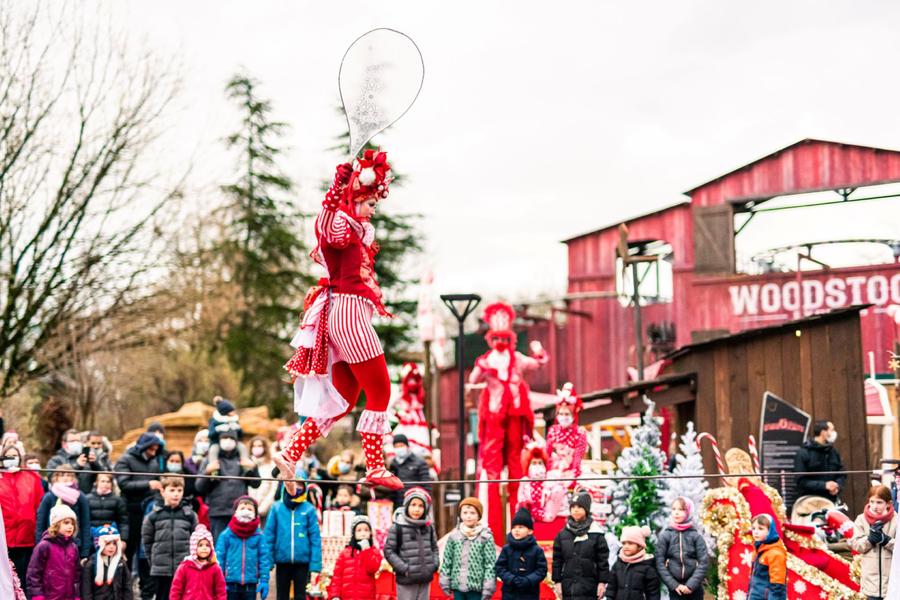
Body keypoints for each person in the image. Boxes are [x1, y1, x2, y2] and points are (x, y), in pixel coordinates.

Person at [276, 153, 405, 491]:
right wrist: (338, 187)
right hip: (349, 313)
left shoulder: (354, 229)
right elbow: (325, 226)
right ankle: (375, 466)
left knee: (344, 399)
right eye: (370, 203)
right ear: (355, 198)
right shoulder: (342, 224)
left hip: (343, 313)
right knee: (380, 390)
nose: (373, 209)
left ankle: (290, 452)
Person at [469, 302, 548, 544]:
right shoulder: (486, 360)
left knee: (516, 464)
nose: (501, 342)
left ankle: (519, 520)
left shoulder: (517, 359)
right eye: (497, 338)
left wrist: (539, 352)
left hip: (515, 415)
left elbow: (538, 363)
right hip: (495, 416)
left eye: (505, 338)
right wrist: (482, 370)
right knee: (492, 467)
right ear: (491, 339)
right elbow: (473, 380)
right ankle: (491, 524)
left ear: (510, 339)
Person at [195, 430, 261, 540]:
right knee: (220, 544)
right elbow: (199, 488)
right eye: (225, 438)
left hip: (240, 512)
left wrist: (253, 468)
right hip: (218, 512)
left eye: (231, 438)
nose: (228, 441)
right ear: (219, 441)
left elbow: (256, 484)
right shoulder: (210, 459)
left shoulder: (243, 458)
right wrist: (207, 472)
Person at [142, 476, 199, 600]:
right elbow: (147, 543)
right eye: (172, 490)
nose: (176, 494)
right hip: (161, 571)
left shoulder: (190, 515)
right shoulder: (152, 517)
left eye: (179, 490)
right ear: (163, 492)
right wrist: (155, 563)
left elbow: (196, 541)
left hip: (184, 568)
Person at [264, 480, 322, 600]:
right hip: (282, 561)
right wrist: (267, 561)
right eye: (293, 483)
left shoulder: (309, 509)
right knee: (281, 595)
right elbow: (269, 536)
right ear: (286, 485)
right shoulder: (277, 508)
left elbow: (315, 539)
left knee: (300, 596)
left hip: (302, 562)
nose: (296, 487)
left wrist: (315, 566)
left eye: (300, 484)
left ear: (305, 487)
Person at [114, 431, 164, 567]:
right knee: (129, 549)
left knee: (145, 550)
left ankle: (144, 579)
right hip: (130, 511)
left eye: (156, 449)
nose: (153, 453)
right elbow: (124, 484)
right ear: (143, 447)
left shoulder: (154, 463)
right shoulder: (125, 460)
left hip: (148, 511)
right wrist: (148, 484)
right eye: (151, 449)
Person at [384, 487, 439, 600]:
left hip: (425, 579)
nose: (416, 509)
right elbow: (389, 551)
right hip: (406, 580)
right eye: (413, 505)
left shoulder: (429, 527)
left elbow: (434, 548)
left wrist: (434, 565)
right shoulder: (397, 527)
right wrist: (405, 569)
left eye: (421, 506)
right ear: (406, 506)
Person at [0, 442, 45, 581]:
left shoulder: (31, 477)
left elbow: (39, 506)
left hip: (26, 537)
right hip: (5, 538)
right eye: (8, 456)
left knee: (23, 576)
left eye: (14, 455)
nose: (11, 458)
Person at [552, 492, 609, 600]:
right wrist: (557, 582)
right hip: (568, 588)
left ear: (586, 509)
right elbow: (557, 560)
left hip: (589, 588)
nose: (575, 510)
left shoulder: (596, 534)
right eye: (573, 507)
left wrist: (602, 582)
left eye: (579, 507)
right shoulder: (562, 534)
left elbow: (602, 561)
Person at [439, 497, 497, 600]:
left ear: (479, 516)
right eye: (465, 513)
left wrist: (488, 587)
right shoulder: (454, 536)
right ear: (460, 515)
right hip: (457, 587)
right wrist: (445, 581)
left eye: (472, 513)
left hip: (477, 589)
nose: (468, 516)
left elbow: (490, 564)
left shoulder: (485, 537)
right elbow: (447, 560)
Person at [214, 496, 271, 600]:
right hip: (229, 584)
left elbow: (264, 559)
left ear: (255, 514)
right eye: (242, 508)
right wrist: (219, 580)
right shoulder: (226, 535)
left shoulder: (259, 536)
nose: (246, 511)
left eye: (250, 509)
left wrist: (264, 580)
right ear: (235, 512)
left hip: (250, 585)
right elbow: (219, 558)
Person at [655, 496, 708, 599]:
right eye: (674, 509)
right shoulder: (666, 536)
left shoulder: (696, 537)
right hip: (675, 588)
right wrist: (674, 585)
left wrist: (691, 585)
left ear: (688, 512)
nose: (676, 512)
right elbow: (659, 562)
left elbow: (703, 562)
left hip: (694, 588)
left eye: (681, 509)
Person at [850, 484, 897, 600]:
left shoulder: (897, 520)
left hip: (892, 582)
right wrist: (869, 539)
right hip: (870, 582)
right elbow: (856, 544)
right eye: (872, 502)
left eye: (879, 502)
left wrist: (886, 541)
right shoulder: (861, 519)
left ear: (888, 504)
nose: (875, 506)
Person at [36, 464, 93, 559]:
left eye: (68, 475)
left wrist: (85, 552)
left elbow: (85, 524)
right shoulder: (49, 497)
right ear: (56, 477)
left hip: (75, 544)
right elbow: (40, 524)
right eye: (62, 475)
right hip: (51, 543)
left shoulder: (80, 497)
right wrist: (40, 547)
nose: (65, 478)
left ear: (73, 477)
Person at [27, 504, 82, 600]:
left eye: (72, 524)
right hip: (49, 596)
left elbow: (77, 576)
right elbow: (33, 573)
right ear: (56, 525)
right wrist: (37, 595)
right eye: (66, 523)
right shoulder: (44, 546)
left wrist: (77, 595)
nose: (70, 526)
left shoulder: (73, 547)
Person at [495, 507, 547, 600]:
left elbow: (541, 570)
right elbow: (500, 567)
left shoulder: (537, 550)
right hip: (509, 593)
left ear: (530, 531)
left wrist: (528, 580)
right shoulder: (506, 548)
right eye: (514, 527)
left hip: (530, 594)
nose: (516, 530)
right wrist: (511, 579)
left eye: (520, 527)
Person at [327, 514, 383, 600]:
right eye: (359, 530)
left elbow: (372, 569)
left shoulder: (374, 551)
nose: (363, 533)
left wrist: (366, 550)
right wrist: (335, 595)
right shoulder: (345, 553)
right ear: (353, 533)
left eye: (366, 530)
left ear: (370, 533)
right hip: (347, 597)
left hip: (366, 596)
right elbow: (337, 576)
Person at [545, 383, 588, 485]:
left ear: (573, 415)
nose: (563, 417)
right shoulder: (553, 431)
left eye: (567, 414)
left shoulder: (580, 433)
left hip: (571, 474)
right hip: (553, 474)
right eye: (561, 414)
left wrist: (573, 477)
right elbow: (547, 455)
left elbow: (577, 459)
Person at [793, 420, 846, 503]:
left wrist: (837, 486)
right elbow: (801, 481)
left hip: (831, 500)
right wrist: (824, 485)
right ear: (823, 432)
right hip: (810, 501)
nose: (834, 433)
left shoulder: (833, 451)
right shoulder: (803, 453)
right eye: (832, 430)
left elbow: (841, 473)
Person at [170, 525, 227, 600]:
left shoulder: (215, 568)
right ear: (194, 547)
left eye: (207, 545)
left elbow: (221, 591)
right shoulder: (185, 567)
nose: (204, 548)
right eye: (200, 545)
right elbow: (176, 590)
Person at [606, 525, 660, 600]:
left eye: (630, 543)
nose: (626, 546)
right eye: (624, 543)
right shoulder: (618, 564)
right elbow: (611, 588)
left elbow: (653, 593)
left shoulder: (647, 567)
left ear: (639, 546)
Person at [516, 445, 566, 523]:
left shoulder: (552, 483)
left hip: (548, 522)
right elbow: (521, 503)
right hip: (529, 521)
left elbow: (550, 515)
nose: (537, 466)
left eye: (540, 463)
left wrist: (533, 512)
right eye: (534, 463)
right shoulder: (524, 483)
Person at [81, 524, 133, 600]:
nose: (112, 547)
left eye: (114, 544)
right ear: (99, 545)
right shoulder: (91, 565)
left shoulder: (121, 564)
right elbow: (86, 591)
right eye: (107, 543)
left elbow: (127, 586)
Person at [747, 514, 786, 600]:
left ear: (770, 531)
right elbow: (753, 580)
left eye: (760, 529)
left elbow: (777, 586)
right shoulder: (758, 549)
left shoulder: (775, 554)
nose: (756, 532)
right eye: (753, 528)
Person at [46, 429, 95, 493]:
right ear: (64, 444)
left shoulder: (86, 458)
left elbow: (102, 477)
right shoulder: (55, 460)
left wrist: (95, 464)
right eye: (72, 441)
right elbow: (52, 478)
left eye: (78, 441)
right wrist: (77, 465)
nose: (76, 443)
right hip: (64, 496)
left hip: (86, 497)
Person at [388, 434, 432, 504]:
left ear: (407, 446)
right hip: (398, 502)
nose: (399, 449)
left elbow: (427, 486)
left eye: (401, 446)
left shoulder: (420, 462)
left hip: (414, 503)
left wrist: (424, 503)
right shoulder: (393, 464)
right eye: (396, 447)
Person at [87, 473, 130, 542]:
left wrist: (123, 539)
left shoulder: (118, 500)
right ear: (97, 483)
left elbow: (123, 522)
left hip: (111, 537)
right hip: (92, 537)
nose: (105, 484)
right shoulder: (87, 499)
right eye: (103, 481)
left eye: (108, 482)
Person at [207, 398, 251, 465]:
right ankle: (213, 466)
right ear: (225, 412)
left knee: (242, 447)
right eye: (231, 411)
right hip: (217, 443)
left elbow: (241, 436)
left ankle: (245, 464)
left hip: (234, 443)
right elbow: (210, 435)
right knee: (213, 450)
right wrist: (218, 429)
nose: (234, 412)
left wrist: (238, 429)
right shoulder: (214, 421)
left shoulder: (234, 420)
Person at [247, 436, 278, 522]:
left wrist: (262, 508)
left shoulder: (271, 464)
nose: (256, 448)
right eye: (254, 446)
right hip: (248, 509)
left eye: (259, 446)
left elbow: (274, 488)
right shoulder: (247, 463)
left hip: (266, 509)